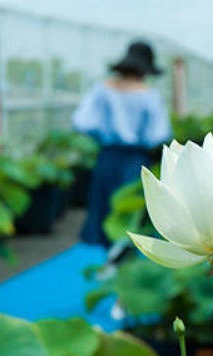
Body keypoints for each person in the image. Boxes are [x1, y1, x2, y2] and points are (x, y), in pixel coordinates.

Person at [73, 40, 172, 246]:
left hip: (107, 156)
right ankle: (121, 255)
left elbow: (82, 121)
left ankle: (105, 256)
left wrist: (103, 135)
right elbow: (159, 134)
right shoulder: (149, 95)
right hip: (135, 159)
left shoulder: (102, 90)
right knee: (129, 210)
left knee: (104, 207)